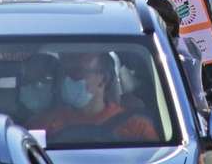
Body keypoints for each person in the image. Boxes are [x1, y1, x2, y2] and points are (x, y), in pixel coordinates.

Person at [30, 50, 158, 142]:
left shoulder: (136, 127)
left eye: (77, 71)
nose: (68, 79)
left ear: (103, 80)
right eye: (65, 72)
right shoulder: (44, 125)